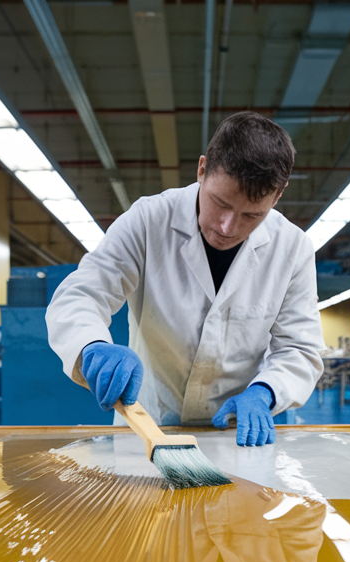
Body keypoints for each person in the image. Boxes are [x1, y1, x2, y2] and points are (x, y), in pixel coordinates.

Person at [46, 112, 324, 447]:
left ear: (277, 197)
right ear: (202, 169)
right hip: (150, 427)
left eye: (252, 215)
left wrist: (265, 392)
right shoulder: (148, 221)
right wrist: (92, 347)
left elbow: (299, 347)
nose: (227, 227)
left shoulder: (292, 248)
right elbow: (81, 295)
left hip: (238, 433)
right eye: (220, 203)